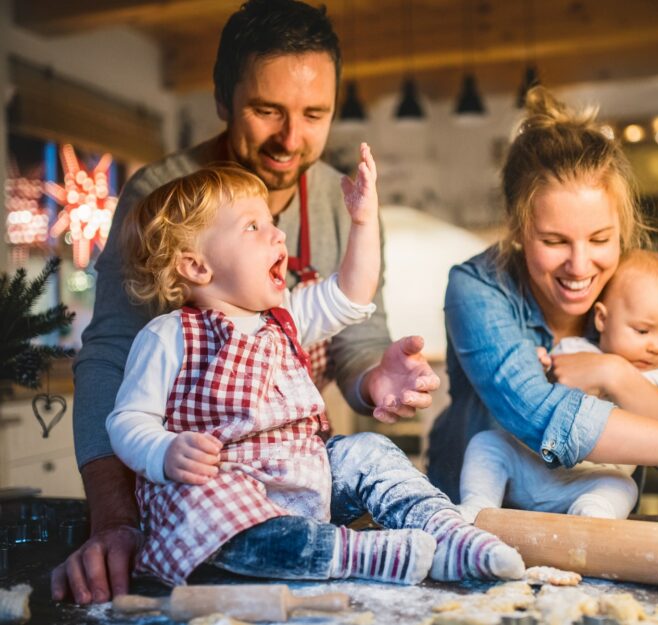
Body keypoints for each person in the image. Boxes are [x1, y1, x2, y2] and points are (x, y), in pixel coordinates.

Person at [53, 0, 439, 603]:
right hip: (201, 483)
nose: (292, 139)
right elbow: (109, 357)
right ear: (221, 101)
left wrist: (378, 379)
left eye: (315, 114)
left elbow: (355, 339)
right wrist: (115, 521)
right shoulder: (162, 198)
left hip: (293, 471)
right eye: (266, 111)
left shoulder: (344, 206)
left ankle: (441, 533)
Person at [103, 160, 523, 586]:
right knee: (197, 509)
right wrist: (163, 453)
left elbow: (350, 292)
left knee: (368, 451)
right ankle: (361, 555)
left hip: (306, 478)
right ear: (196, 267)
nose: (277, 234)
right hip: (226, 491)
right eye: (253, 227)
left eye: (272, 222)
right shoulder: (168, 335)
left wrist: (361, 222)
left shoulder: (286, 316)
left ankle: (450, 533)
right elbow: (128, 420)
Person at [427, 86, 658, 505]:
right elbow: (540, 415)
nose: (580, 266)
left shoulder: (643, 287)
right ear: (519, 232)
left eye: (600, 239)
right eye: (554, 240)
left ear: (623, 231)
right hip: (479, 523)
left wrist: (612, 372)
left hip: (596, 519)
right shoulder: (477, 287)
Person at [457, 249, 658, 523]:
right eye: (642, 330)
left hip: (591, 482)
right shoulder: (575, 350)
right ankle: (477, 510)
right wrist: (538, 364)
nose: (655, 346)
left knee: (622, 486)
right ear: (602, 319)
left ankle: (590, 520)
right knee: (487, 444)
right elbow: (537, 398)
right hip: (529, 473)